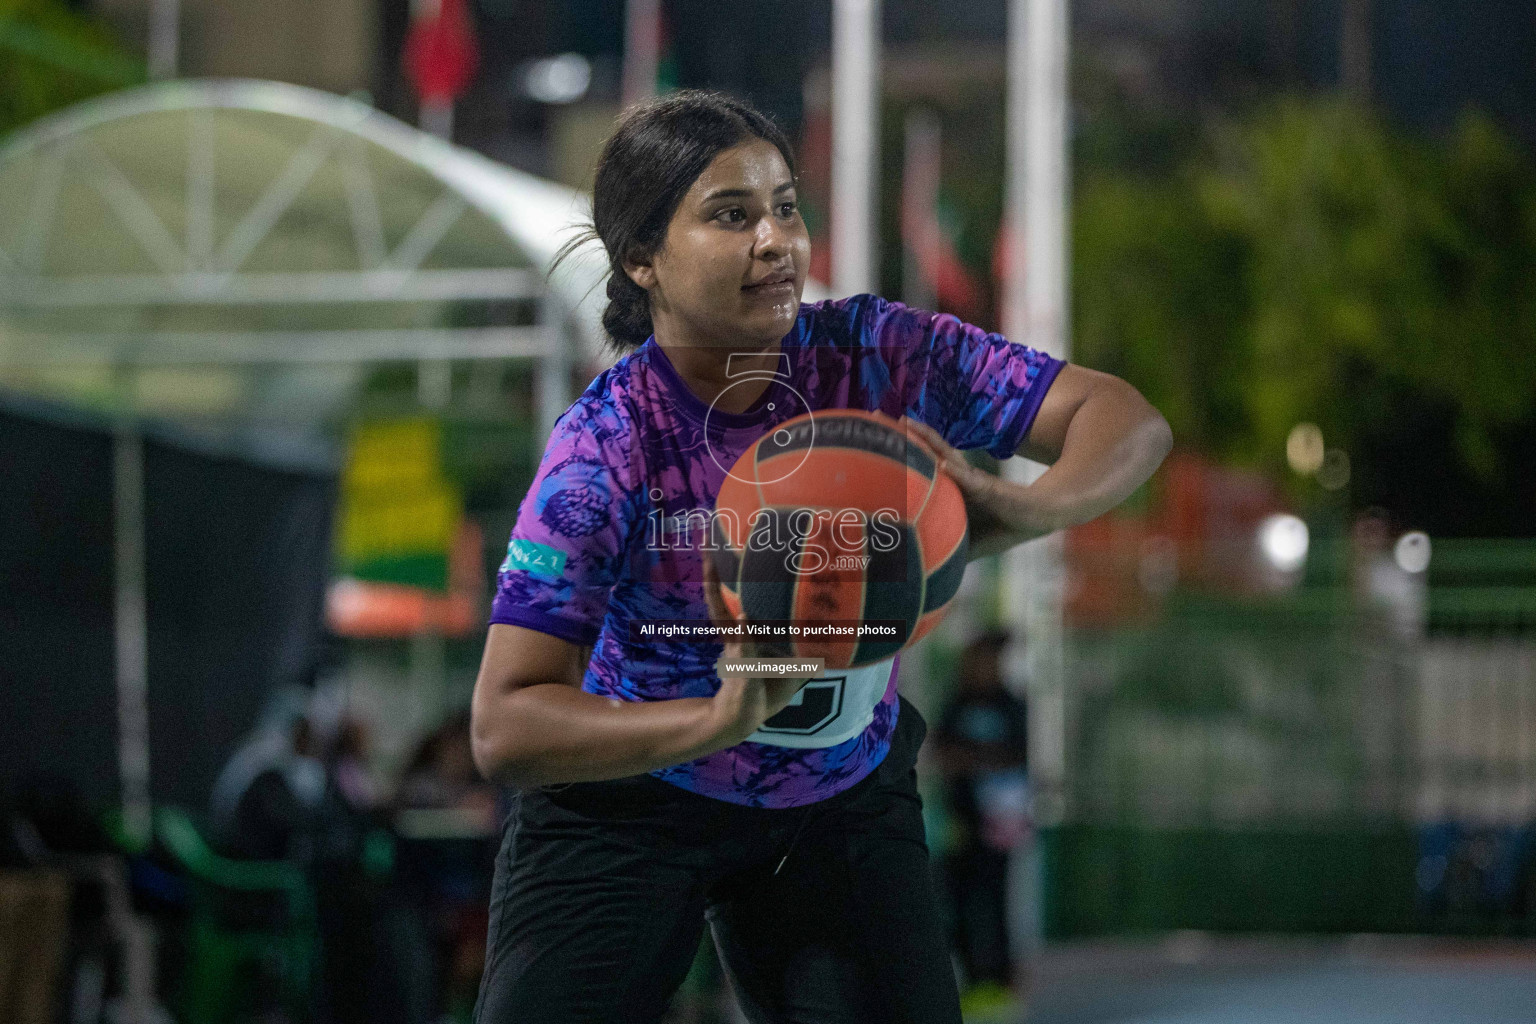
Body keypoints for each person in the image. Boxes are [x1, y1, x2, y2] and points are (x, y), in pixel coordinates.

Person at [469, 90, 1172, 1024]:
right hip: (629, 803)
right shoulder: (606, 446)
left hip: (836, 800)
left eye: (786, 206)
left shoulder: (873, 356)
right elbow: (506, 726)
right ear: (643, 260)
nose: (777, 240)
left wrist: (1028, 507)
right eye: (731, 214)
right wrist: (708, 723)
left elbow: (1123, 420)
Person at [931, 629, 1033, 1012]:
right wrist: (977, 760)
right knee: (956, 903)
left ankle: (1000, 985)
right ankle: (970, 983)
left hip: (999, 826)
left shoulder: (1012, 705)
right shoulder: (957, 702)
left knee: (995, 904)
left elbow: (1018, 757)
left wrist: (973, 759)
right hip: (959, 825)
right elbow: (942, 752)